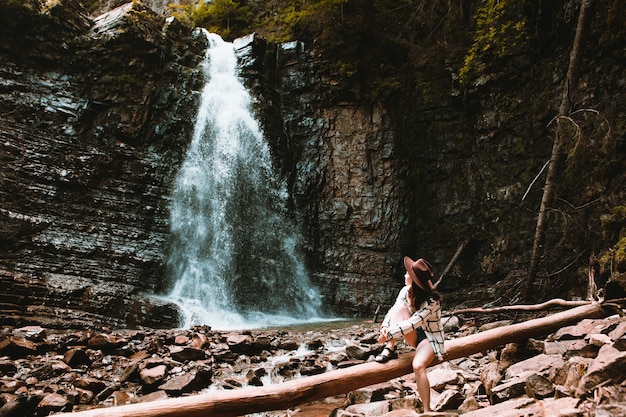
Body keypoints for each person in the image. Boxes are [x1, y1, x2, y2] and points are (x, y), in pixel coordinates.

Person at [376, 256, 445, 413]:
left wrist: (389, 333)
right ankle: (391, 347)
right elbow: (393, 310)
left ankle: (427, 410)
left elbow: (414, 322)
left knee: (418, 366)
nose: (405, 275)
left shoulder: (432, 301)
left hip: (429, 338)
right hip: (412, 334)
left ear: (415, 281)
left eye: (408, 274)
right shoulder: (405, 291)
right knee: (399, 309)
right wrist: (385, 327)